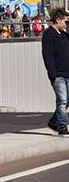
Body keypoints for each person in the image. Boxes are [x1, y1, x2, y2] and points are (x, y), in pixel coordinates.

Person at [41, 7, 69, 136]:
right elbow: (47, 55)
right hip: (58, 75)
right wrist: (52, 73)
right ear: (58, 20)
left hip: (67, 72)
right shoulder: (48, 34)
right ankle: (62, 127)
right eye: (65, 21)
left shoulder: (64, 35)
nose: (66, 24)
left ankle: (54, 122)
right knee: (62, 100)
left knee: (67, 101)